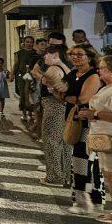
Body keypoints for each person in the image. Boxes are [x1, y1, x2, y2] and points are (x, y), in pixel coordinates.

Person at [65, 45, 104, 215]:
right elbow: (58, 92)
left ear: (89, 56)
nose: (76, 57)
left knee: (84, 160)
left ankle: (87, 201)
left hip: (89, 124)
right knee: (81, 160)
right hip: (75, 122)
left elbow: (83, 99)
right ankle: (88, 199)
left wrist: (66, 95)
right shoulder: (73, 74)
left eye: (80, 54)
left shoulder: (93, 75)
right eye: (73, 54)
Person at [82, 55, 112, 224]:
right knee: (109, 177)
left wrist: (93, 115)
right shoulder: (106, 88)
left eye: (102, 68)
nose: (99, 70)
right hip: (103, 140)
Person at [38, 45, 73, 188]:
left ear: (55, 55)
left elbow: (56, 92)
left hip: (54, 107)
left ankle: (54, 177)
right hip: (64, 109)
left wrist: (47, 85)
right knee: (64, 143)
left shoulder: (53, 69)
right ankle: (64, 176)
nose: (44, 57)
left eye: (47, 54)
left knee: (51, 141)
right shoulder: (65, 67)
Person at [12, 36, 37, 125]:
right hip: (21, 75)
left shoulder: (35, 53)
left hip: (33, 76)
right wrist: (11, 75)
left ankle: (31, 113)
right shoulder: (19, 53)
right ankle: (24, 114)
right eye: (27, 42)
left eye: (31, 42)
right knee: (23, 94)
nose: (29, 44)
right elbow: (16, 64)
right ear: (24, 42)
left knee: (32, 95)